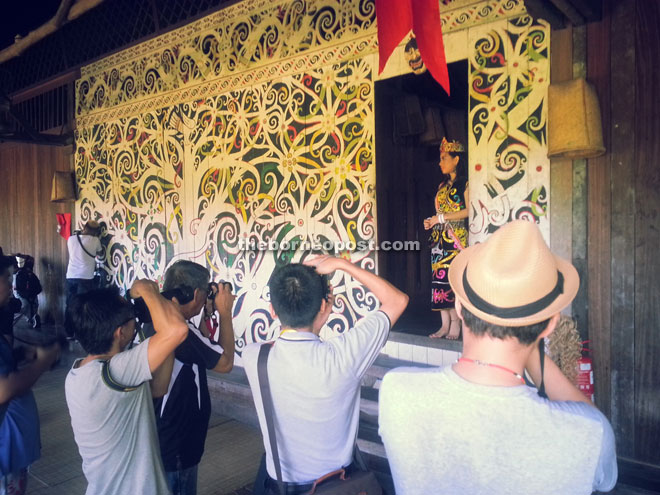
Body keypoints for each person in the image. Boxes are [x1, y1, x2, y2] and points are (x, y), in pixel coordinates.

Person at [379, 220, 617, 495]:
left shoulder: (397, 391)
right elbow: (599, 445)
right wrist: (530, 344)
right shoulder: (588, 433)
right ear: (551, 324)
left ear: (458, 304)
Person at [243, 256, 409, 494]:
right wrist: (342, 264)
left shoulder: (254, 357)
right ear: (324, 306)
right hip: (338, 487)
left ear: (272, 310)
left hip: (279, 487)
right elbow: (397, 300)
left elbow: (289, 347)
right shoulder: (343, 356)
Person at [65, 283, 189, 495]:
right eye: (131, 317)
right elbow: (177, 330)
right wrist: (146, 289)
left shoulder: (77, 372)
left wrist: (165, 339)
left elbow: (158, 388)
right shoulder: (116, 371)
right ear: (120, 333)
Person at [143, 260, 235, 495]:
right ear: (196, 294)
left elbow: (201, 350)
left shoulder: (156, 320)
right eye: (205, 293)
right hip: (178, 443)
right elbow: (224, 363)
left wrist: (206, 314)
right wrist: (225, 314)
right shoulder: (181, 333)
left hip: (160, 436)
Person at [0, 252, 60, 495]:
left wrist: (20, 355)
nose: (10, 284)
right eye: (5, 279)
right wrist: (42, 363)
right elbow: (5, 388)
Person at [424, 137, 469, 339]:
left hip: (456, 239)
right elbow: (440, 213)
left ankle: (456, 325)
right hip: (439, 240)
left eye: (444, 158)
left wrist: (441, 218)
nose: (440, 162)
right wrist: (432, 221)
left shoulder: (465, 183)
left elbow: (468, 211)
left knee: (453, 281)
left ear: (456, 159)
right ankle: (444, 325)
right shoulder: (442, 185)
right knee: (439, 281)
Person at [65, 220, 102, 306]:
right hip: (86, 278)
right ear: (96, 232)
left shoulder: (71, 239)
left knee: (70, 304)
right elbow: (100, 254)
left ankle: (68, 319)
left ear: (84, 227)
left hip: (71, 276)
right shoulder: (95, 241)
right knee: (83, 305)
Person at [14, 255, 42, 329]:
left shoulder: (32, 276)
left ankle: (32, 318)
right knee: (24, 305)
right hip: (21, 295)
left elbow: (39, 287)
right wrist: (28, 297)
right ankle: (12, 320)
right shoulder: (19, 275)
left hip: (31, 295)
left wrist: (32, 295)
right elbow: (19, 289)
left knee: (35, 304)